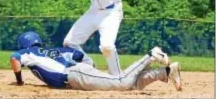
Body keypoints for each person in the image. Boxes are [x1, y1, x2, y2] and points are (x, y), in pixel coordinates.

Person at [10, 31, 182, 91]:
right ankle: (165, 72)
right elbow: (80, 56)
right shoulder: (54, 50)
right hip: (77, 73)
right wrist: (89, 69)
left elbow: (14, 58)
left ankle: (151, 55)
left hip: (73, 75)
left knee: (121, 83)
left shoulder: (27, 52)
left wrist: (19, 81)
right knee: (130, 87)